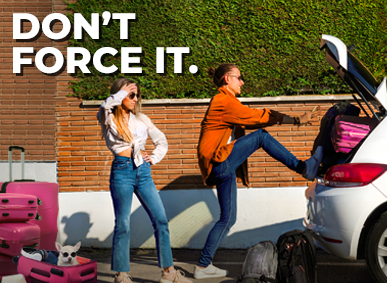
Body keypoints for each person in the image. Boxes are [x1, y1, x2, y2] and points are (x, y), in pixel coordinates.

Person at [194, 64, 323, 279]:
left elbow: (252, 118)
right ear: (227, 79)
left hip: (222, 166)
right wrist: (297, 120)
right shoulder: (222, 101)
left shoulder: (227, 102)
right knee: (261, 136)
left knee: (227, 219)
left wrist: (296, 120)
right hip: (219, 162)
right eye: (239, 77)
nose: (242, 82)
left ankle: (203, 266)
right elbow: (258, 117)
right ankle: (303, 167)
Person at [97, 78, 192, 283]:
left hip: (143, 171)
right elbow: (106, 104)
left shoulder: (141, 119)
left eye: (137, 94)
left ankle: (169, 273)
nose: (135, 98)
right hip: (122, 171)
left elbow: (161, 141)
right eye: (131, 95)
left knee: (161, 220)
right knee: (123, 224)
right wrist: (123, 92)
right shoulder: (108, 117)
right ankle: (121, 276)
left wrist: (154, 157)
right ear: (120, 94)